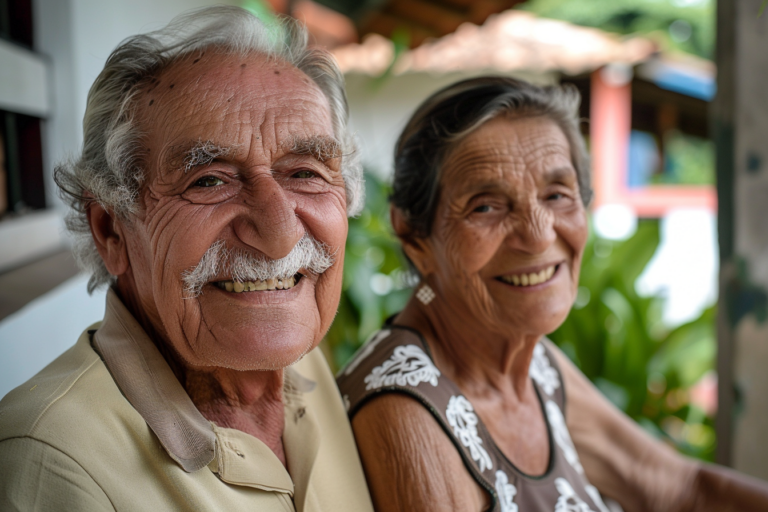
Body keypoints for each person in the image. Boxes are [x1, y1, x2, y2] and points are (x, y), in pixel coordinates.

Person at [0, 7, 372, 512]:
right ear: (111, 230)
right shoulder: (53, 461)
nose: (280, 234)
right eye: (209, 180)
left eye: (305, 173)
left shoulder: (304, 361)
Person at [337, 76, 768, 512]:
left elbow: (683, 489)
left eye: (557, 195)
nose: (539, 236)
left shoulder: (532, 367)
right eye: (486, 206)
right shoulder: (408, 408)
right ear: (414, 236)